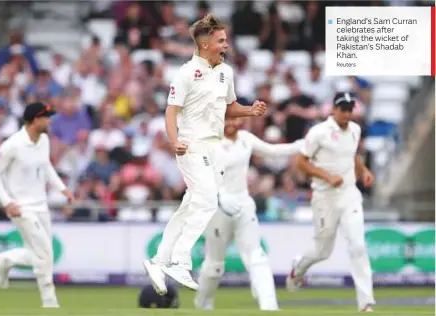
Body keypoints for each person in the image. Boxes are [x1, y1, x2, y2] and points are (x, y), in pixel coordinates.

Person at [143, 14, 267, 295]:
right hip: (191, 145)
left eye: (225, 40)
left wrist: (250, 111)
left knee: (190, 205)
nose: (226, 45)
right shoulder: (187, 73)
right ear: (204, 44)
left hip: (214, 146)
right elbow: (171, 110)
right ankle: (179, 260)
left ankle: (159, 260)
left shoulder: (226, 72)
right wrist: (174, 140)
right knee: (208, 201)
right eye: (221, 41)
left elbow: (230, 105)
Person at [194, 117, 303, 311]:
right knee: (214, 265)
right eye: (228, 119)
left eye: (236, 119)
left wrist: (300, 145)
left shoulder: (246, 139)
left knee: (257, 257)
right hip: (219, 208)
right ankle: (203, 304)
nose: (232, 124)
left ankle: (269, 306)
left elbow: (273, 150)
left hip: (244, 205)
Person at [285, 92, 375, 312]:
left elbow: (352, 154)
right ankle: (298, 268)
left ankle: (365, 303)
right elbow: (301, 163)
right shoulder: (319, 132)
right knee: (322, 251)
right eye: (342, 109)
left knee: (358, 245)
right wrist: (327, 176)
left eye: (349, 109)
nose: (346, 113)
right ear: (333, 109)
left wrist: (363, 170)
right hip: (324, 197)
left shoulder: (355, 130)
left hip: (349, 194)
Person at [0, 102, 75, 308]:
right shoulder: (13, 144)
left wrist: (62, 188)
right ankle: (50, 302)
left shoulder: (43, 140)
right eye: (46, 117)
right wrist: (7, 202)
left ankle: (5, 259)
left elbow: (46, 166)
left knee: (44, 254)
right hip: (21, 207)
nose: (50, 121)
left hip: (41, 205)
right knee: (44, 252)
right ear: (35, 120)